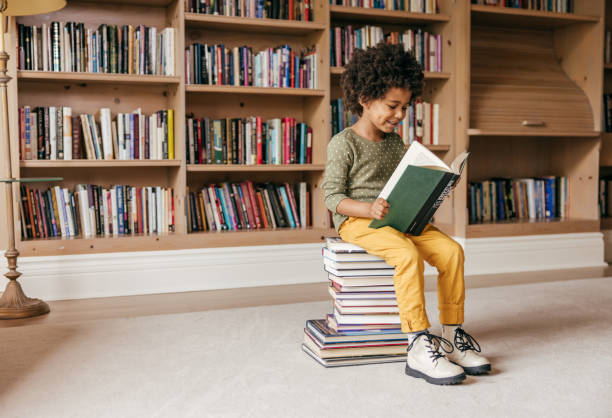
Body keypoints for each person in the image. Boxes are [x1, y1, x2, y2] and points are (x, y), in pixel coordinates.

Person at [322, 43, 490, 385]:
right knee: (406, 253)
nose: (399, 115)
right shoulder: (344, 143)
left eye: (405, 107)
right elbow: (332, 196)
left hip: (400, 216)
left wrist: (436, 188)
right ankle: (417, 342)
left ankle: (453, 334)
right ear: (365, 99)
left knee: (452, 252)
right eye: (392, 106)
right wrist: (366, 208)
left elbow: (405, 184)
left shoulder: (396, 143)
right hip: (359, 221)